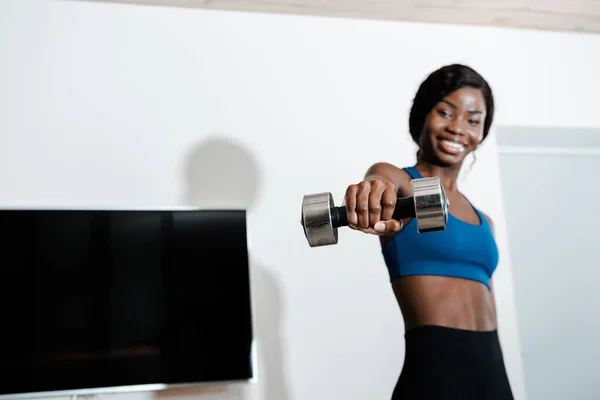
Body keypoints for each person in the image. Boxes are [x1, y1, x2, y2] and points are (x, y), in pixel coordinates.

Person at [343, 64, 514, 399]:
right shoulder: (402, 182)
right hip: (436, 372)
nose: (457, 128)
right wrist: (372, 194)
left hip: (493, 373)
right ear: (423, 115)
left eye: (472, 119)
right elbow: (379, 186)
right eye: (446, 112)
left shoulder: (485, 221)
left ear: (481, 132)